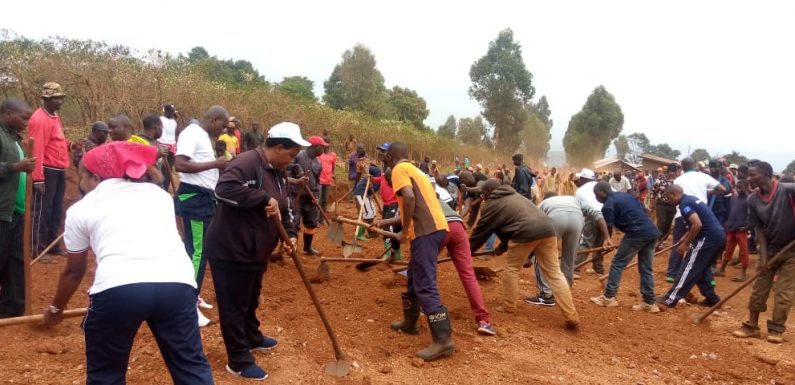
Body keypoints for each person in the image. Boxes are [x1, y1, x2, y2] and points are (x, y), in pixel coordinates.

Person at [42, 141, 214, 384]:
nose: (80, 183)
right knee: (191, 367)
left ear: (95, 178)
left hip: (119, 290)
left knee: (106, 375)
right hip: (177, 285)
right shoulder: (160, 196)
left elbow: (73, 271)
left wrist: (56, 310)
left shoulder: (81, 209)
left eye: (82, 177)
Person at [205, 122, 307, 380]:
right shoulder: (246, 162)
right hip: (232, 250)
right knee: (234, 305)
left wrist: (291, 233)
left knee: (250, 299)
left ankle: (252, 336)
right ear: (279, 147)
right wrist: (261, 197)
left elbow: (284, 207)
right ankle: (238, 360)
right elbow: (223, 190)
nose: (292, 160)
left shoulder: (278, 171)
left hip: (256, 252)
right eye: (291, 155)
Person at [468, 179, 579, 328]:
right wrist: (503, 246)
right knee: (554, 273)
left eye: (482, 194)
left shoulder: (492, 205)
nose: (482, 197)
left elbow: (480, 232)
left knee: (512, 269)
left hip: (525, 234)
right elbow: (511, 223)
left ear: (488, 193)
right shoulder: (517, 197)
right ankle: (571, 315)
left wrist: (465, 251)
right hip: (548, 230)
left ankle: (508, 306)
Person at [381, 142, 453, 361]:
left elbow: (410, 198)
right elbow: (416, 203)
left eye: (385, 157)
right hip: (437, 228)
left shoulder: (399, 170)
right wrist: (386, 221)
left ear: (391, 157)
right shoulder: (416, 170)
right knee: (414, 275)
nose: (384, 160)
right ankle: (410, 322)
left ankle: (443, 341)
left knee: (425, 282)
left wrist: (403, 231)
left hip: (425, 232)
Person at [174, 106, 230, 327]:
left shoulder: (203, 136)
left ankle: (193, 297)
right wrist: (216, 164)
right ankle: (188, 307)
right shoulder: (192, 133)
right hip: (194, 200)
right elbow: (180, 164)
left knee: (200, 251)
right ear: (214, 119)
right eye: (223, 125)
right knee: (197, 253)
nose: (224, 130)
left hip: (204, 199)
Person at [731, 161, 795, 343]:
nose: (748, 178)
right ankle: (752, 326)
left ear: (766, 174)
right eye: (748, 175)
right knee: (759, 287)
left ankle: (776, 329)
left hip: (792, 250)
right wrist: (765, 257)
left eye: (753, 175)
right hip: (771, 247)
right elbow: (758, 230)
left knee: (784, 292)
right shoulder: (753, 200)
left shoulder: (788, 190)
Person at [589, 182, 661, 312]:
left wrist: (607, 241)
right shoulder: (626, 196)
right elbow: (644, 212)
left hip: (636, 233)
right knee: (646, 269)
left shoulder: (608, 205)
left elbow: (609, 227)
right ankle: (649, 303)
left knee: (617, 263)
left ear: (601, 193)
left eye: (596, 195)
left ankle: (609, 297)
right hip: (651, 232)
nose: (596, 198)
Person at [529, 194, 612, 306]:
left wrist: (529, 255)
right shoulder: (575, 199)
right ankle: (565, 291)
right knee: (569, 257)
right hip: (576, 220)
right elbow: (597, 214)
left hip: (556, 218)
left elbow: (534, 227)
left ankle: (545, 295)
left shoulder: (543, 203)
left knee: (540, 255)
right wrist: (607, 237)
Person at [658, 185, 725, 308]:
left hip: (707, 238)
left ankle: (671, 298)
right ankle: (712, 299)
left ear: (674, 195)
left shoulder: (684, 204)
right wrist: (685, 237)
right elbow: (697, 223)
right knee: (702, 268)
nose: (669, 201)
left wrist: (685, 244)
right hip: (717, 236)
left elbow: (697, 224)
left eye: (669, 198)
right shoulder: (690, 199)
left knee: (690, 266)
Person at [0, 99, 35, 317]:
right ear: (6, 113)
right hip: (2, 211)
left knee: (15, 261)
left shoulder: (14, 138)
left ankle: (12, 307)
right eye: (24, 117)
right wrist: (16, 167)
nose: (27, 122)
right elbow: (13, 168)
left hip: (16, 210)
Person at [665, 157, 725, 282]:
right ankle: (707, 277)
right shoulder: (703, 176)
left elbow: (674, 192)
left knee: (678, 243)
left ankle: (672, 273)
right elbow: (722, 189)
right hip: (702, 214)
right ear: (695, 165)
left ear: (682, 167)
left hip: (682, 215)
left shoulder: (678, 179)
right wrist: (706, 192)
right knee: (701, 247)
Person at [29, 82, 69, 262]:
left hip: (59, 168)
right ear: (46, 99)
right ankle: (37, 249)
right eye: (55, 98)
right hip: (47, 169)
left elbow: (57, 141)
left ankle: (52, 245)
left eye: (61, 97)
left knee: (56, 208)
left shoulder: (54, 115)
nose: (60, 101)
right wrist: (38, 178)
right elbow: (36, 149)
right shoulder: (39, 118)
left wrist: (71, 145)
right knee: (42, 209)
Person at [293, 136, 328, 255]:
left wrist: (317, 195)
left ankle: (307, 247)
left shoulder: (318, 163)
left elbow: (318, 182)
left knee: (311, 223)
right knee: (294, 223)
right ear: (313, 146)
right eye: (321, 147)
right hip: (296, 196)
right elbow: (288, 169)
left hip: (310, 197)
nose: (323, 149)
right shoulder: (298, 155)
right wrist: (297, 174)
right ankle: (292, 248)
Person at [715, 179, 751, 281]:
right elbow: (730, 212)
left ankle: (743, 274)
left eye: (741, 188)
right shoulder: (733, 199)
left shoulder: (749, 200)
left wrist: (747, 226)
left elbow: (751, 215)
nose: (739, 190)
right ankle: (722, 270)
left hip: (741, 229)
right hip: (732, 228)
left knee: (744, 251)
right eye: (737, 188)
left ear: (747, 188)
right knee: (728, 249)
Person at [574, 168, 607, 276]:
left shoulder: (580, 191)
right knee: (600, 243)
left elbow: (579, 210)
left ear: (583, 178)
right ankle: (598, 269)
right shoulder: (602, 186)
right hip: (607, 216)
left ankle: (575, 268)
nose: (579, 180)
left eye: (580, 178)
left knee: (586, 242)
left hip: (592, 216)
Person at [653, 163, 678, 248]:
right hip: (661, 203)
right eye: (672, 171)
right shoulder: (660, 179)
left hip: (672, 205)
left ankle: (663, 240)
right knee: (662, 222)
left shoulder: (677, 181)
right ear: (668, 171)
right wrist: (652, 201)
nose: (673, 173)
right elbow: (654, 190)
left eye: (674, 172)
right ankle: (658, 240)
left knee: (668, 223)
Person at [708, 159, 733, 225]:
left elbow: (728, 202)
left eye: (716, 167)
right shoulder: (705, 179)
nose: (713, 169)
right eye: (711, 167)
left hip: (719, 214)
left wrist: (726, 218)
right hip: (705, 213)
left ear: (720, 169)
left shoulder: (724, 181)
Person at [318, 137, 336, 214]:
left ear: (329, 145)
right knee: (319, 199)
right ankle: (316, 218)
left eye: (326, 144)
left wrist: (332, 175)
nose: (325, 146)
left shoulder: (333, 155)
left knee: (325, 200)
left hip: (328, 180)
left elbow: (333, 166)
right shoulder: (319, 155)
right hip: (319, 180)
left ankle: (322, 219)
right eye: (323, 145)